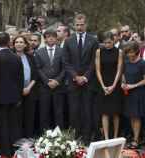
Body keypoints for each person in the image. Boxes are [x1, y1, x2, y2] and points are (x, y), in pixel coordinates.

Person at [63, 13, 98, 144]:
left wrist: (85, 77)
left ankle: (87, 139)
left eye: (82, 25)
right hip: (73, 83)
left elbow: (94, 61)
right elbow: (66, 62)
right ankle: (74, 140)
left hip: (88, 83)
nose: (79, 27)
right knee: (74, 112)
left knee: (87, 112)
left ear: (86, 25)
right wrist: (75, 76)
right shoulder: (68, 41)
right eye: (77, 25)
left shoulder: (93, 40)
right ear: (74, 25)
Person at [0, 32, 24, 156]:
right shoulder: (16, 58)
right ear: (9, 42)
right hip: (14, 96)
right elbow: (20, 79)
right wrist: (19, 95)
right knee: (13, 124)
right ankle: (14, 149)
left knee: (2, 124)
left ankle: (4, 150)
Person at [35, 29, 66, 132]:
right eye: (48, 37)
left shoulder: (62, 51)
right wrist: (47, 81)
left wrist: (57, 81)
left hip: (58, 87)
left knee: (59, 113)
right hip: (44, 87)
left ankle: (60, 136)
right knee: (44, 113)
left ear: (56, 38)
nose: (51, 38)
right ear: (45, 39)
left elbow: (65, 68)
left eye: (53, 36)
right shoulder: (39, 52)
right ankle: (44, 136)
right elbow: (38, 69)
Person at [121, 41, 145, 149]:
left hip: (138, 94)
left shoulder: (143, 63)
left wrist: (133, 86)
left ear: (136, 51)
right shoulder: (126, 62)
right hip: (128, 93)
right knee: (131, 117)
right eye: (128, 53)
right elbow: (123, 75)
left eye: (131, 52)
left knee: (136, 117)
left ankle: (136, 139)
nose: (129, 55)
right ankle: (134, 137)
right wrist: (123, 83)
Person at [95, 32, 123, 140]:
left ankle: (115, 137)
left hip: (115, 84)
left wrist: (114, 85)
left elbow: (119, 70)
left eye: (109, 42)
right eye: (105, 43)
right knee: (104, 112)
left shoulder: (119, 52)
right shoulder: (99, 52)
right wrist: (103, 86)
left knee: (115, 112)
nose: (107, 45)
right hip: (103, 84)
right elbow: (98, 70)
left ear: (114, 41)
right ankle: (106, 138)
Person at [13, 36, 38, 138]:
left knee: (29, 118)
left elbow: (35, 75)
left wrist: (28, 88)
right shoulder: (11, 56)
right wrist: (20, 89)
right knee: (16, 118)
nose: (19, 44)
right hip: (15, 93)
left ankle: (28, 139)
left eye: (21, 42)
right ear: (14, 44)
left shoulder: (30, 57)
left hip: (29, 91)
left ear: (25, 44)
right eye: (17, 42)